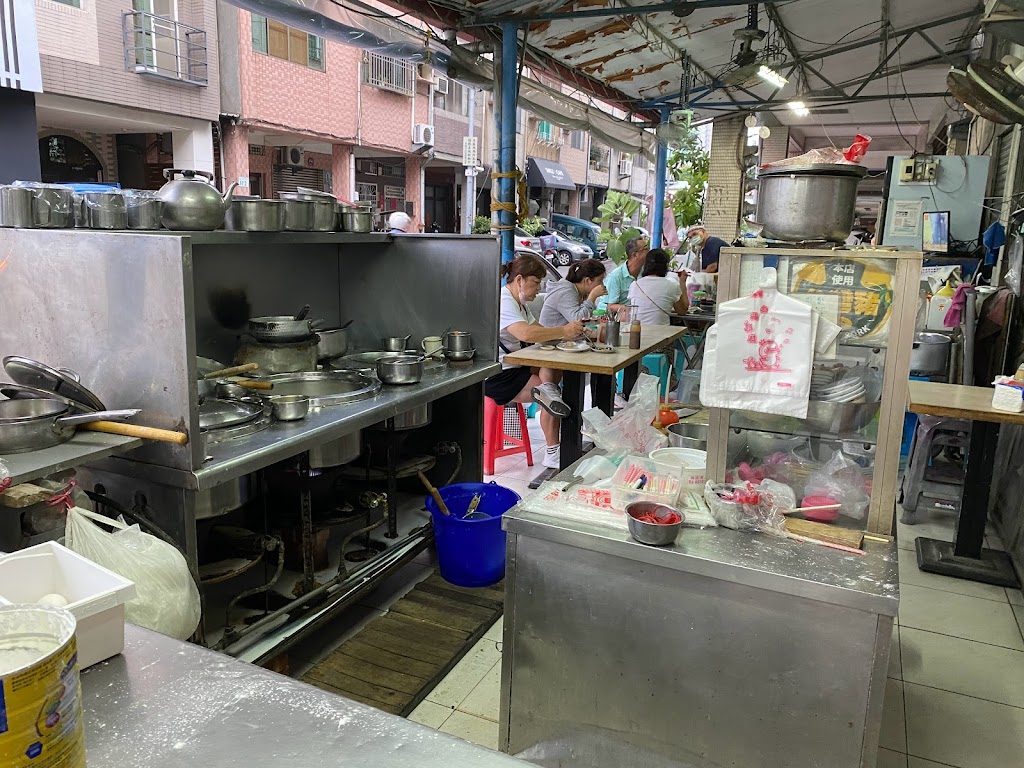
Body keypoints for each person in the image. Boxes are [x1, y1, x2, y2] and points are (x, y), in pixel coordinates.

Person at [486, 254, 585, 469]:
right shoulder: (504, 301)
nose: (539, 288)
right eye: (536, 282)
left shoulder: (519, 303)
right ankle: (552, 451)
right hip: (499, 375)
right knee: (551, 389)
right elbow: (527, 334)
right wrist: (564, 330)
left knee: (551, 370)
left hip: (517, 366)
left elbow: (538, 329)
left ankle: (548, 393)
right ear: (520, 279)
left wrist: (568, 335)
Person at [627, 248, 689, 324]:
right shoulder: (672, 286)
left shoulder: (634, 285)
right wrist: (682, 282)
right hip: (661, 333)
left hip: (636, 331)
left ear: (645, 265)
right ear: (666, 266)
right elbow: (682, 311)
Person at [539, 259, 607, 326]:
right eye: (600, 280)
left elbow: (586, 320)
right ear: (587, 280)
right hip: (553, 336)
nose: (602, 284)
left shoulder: (581, 293)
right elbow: (578, 320)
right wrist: (592, 296)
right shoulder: (565, 292)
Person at [603, 234, 650, 314]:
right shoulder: (616, 276)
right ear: (635, 255)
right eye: (645, 249)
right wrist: (633, 309)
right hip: (615, 317)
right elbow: (611, 306)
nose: (649, 252)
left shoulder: (645, 273)